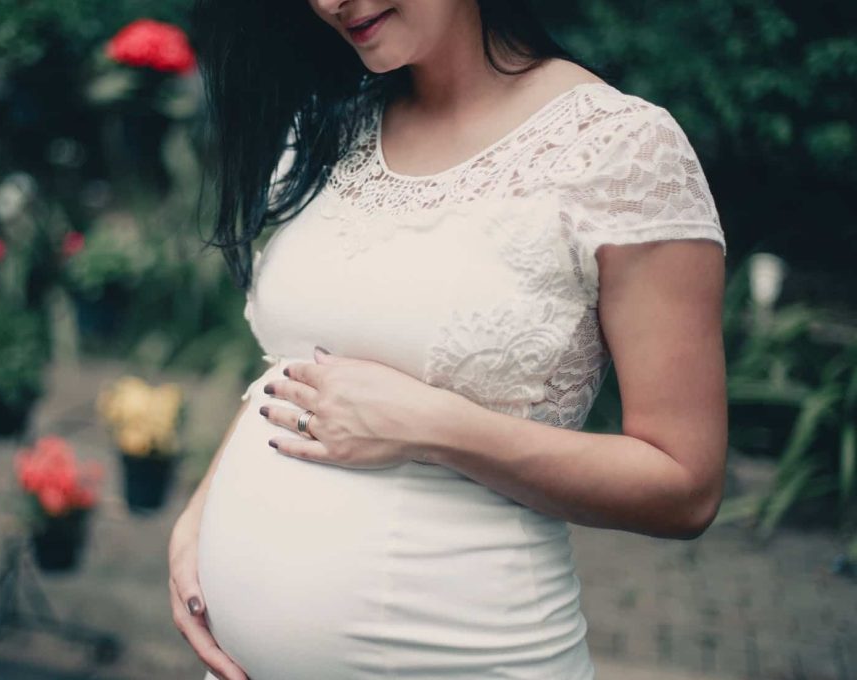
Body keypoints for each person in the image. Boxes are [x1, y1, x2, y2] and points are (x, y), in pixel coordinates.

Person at [170, 1, 728, 678]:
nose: (330, 2)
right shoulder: (334, 125)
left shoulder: (623, 150)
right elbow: (292, 368)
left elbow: (685, 488)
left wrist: (436, 425)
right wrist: (200, 515)